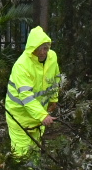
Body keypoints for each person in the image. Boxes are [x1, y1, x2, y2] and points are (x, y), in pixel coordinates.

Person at [4, 26, 60, 160]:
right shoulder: (22, 65)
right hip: (19, 115)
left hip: (37, 114)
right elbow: (26, 96)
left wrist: (53, 98)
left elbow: (55, 78)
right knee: (21, 152)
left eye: (45, 48)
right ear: (31, 48)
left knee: (35, 149)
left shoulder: (52, 58)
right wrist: (42, 115)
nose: (42, 52)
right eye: (38, 49)